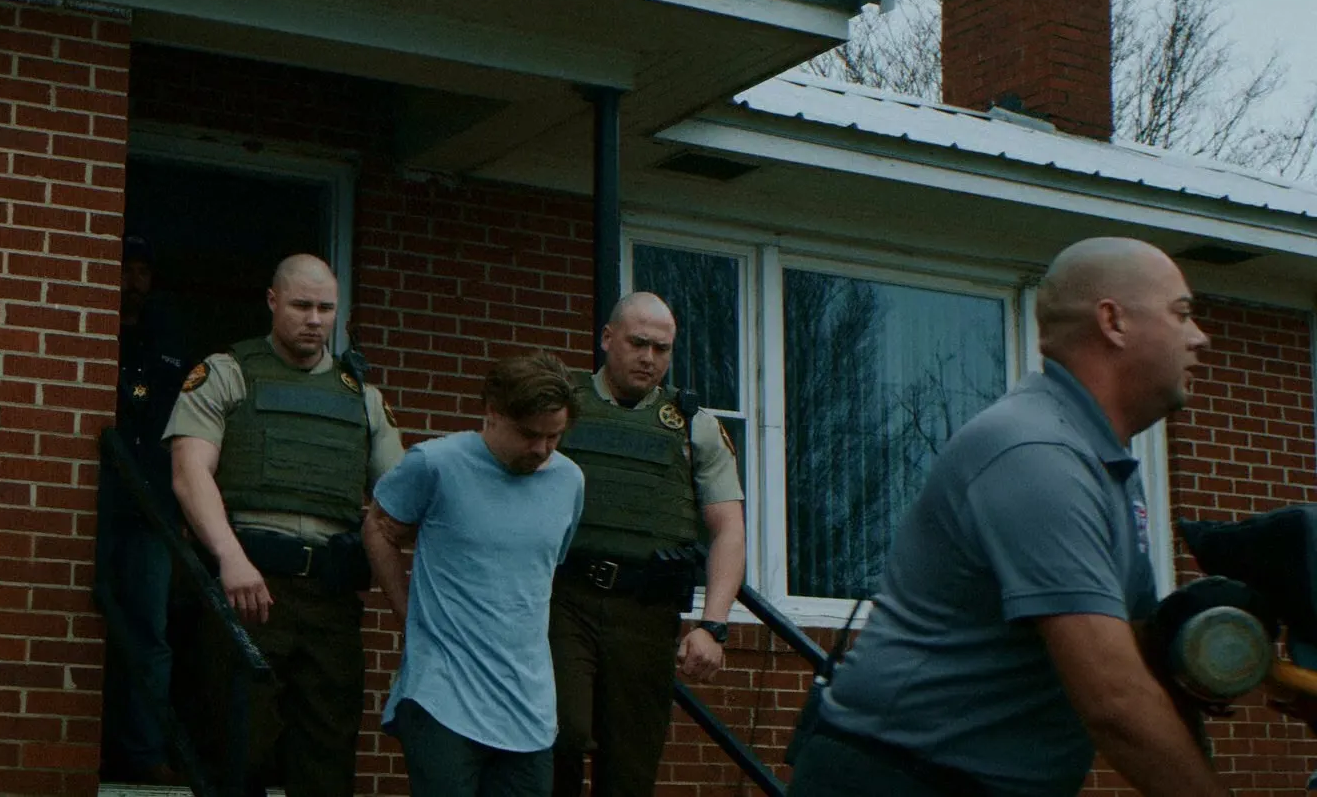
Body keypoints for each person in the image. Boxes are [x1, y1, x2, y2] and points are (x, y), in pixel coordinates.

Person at [785, 237, 1220, 797]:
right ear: (1113, 322)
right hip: (896, 778)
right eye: (1181, 314)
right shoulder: (1036, 453)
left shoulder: (1104, 462)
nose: (1199, 337)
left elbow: (1138, 655)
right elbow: (1114, 700)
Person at [164, 253, 405, 797]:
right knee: (237, 751)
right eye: (301, 306)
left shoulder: (363, 399)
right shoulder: (227, 373)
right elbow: (189, 474)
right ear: (272, 301)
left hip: (331, 598)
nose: (315, 320)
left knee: (326, 760)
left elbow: (401, 497)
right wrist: (230, 558)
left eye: (326, 308)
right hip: (248, 588)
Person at [550, 292, 747, 797]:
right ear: (607, 338)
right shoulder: (561, 406)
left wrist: (713, 625)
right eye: (638, 343)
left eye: (662, 349)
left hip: (646, 611)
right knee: (559, 736)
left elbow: (728, 527)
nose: (649, 358)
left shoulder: (693, 425)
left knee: (630, 771)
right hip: (563, 600)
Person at [365, 350, 588, 797]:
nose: (542, 449)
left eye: (554, 436)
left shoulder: (570, 482)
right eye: (529, 435)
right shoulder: (435, 463)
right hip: (442, 694)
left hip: (528, 706)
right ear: (493, 413)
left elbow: (538, 573)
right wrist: (408, 614)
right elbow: (379, 527)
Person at [94, 235, 189, 785]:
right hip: (96, 505)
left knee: (150, 629)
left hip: (153, 508)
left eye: (142, 271)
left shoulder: (168, 343)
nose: (133, 282)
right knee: (92, 620)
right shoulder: (91, 331)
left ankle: (145, 750)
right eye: (125, 269)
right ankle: (93, 746)